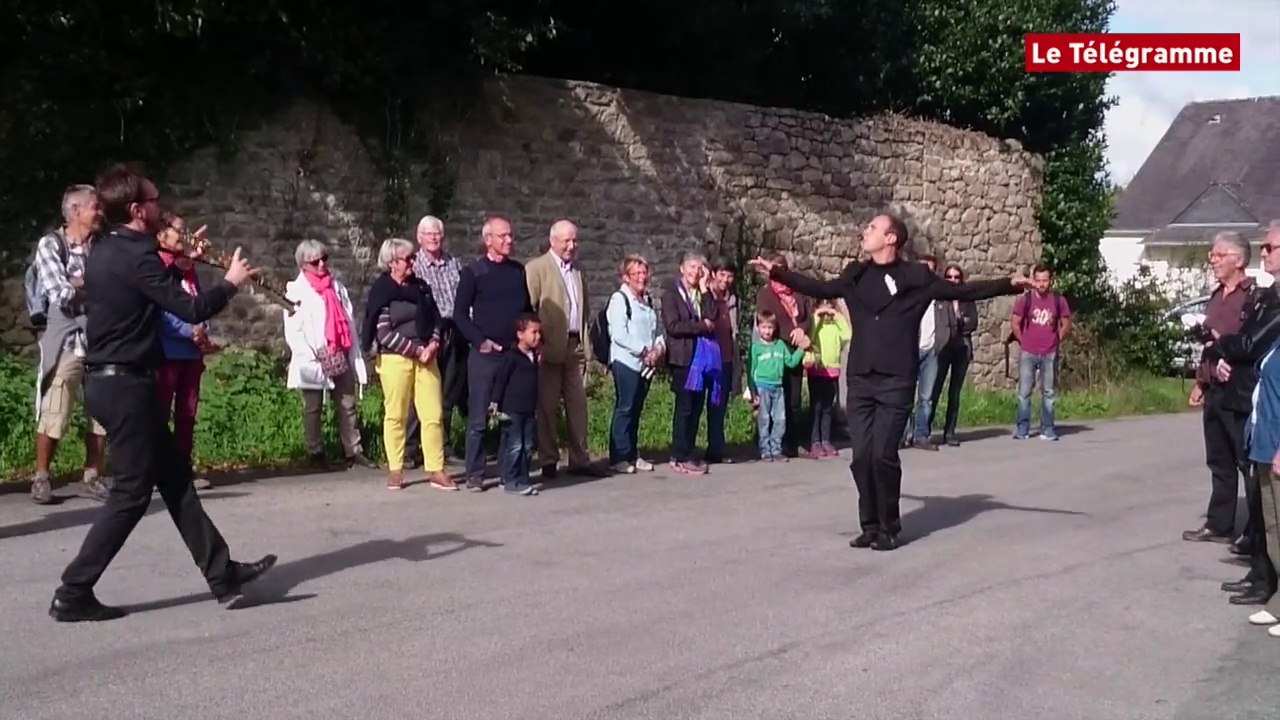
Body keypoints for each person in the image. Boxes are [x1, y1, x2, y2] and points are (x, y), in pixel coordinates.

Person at [49, 163, 276, 622]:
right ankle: (72, 592)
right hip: (124, 386)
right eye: (154, 201)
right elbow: (190, 309)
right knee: (132, 494)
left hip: (118, 383)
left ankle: (222, 574)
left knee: (174, 478)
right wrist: (230, 283)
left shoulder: (111, 248)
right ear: (137, 210)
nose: (161, 206)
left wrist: (181, 250)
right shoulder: (135, 257)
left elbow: (151, 270)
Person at [749, 213, 1027, 551]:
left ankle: (889, 527)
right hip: (862, 378)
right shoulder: (856, 274)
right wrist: (778, 272)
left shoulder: (916, 277)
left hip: (896, 379)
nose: (864, 232)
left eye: (872, 228)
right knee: (862, 456)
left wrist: (1008, 284)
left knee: (883, 454)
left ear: (891, 238)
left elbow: (964, 289)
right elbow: (820, 288)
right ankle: (869, 525)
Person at [1208, 222, 1280, 610]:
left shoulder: (1275, 299)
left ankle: (1267, 579)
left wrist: (1222, 345)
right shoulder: (1269, 295)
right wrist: (1219, 355)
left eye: (1269, 247)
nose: (1263, 253)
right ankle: (1259, 572)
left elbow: (1250, 343)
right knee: (1256, 496)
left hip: (1262, 404)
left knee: (1263, 498)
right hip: (1246, 398)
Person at [29, 184, 109, 505]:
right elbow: (59, 294)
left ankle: (92, 475)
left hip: (101, 338)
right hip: (66, 340)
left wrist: (79, 282)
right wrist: (94, 284)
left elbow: (113, 287)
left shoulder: (102, 245)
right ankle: (41, 476)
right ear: (76, 211)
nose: (100, 212)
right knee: (55, 407)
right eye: (95, 207)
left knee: (101, 411)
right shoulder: (51, 245)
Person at [453, 216, 534, 491]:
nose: (509, 240)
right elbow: (460, 315)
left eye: (510, 235)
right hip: (485, 356)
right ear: (488, 240)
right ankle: (475, 473)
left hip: (513, 355)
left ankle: (507, 470)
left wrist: (531, 342)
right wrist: (481, 341)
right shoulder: (473, 273)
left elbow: (526, 310)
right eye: (503, 236)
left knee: (510, 417)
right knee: (479, 418)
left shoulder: (516, 272)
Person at [284, 239, 377, 471]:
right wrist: (312, 354)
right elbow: (294, 329)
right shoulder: (295, 291)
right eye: (315, 261)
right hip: (314, 355)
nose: (322, 264)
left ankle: (353, 451)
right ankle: (315, 451)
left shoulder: (336, 287)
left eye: (324, 258)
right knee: (313, 406)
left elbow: (347, 319)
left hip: (339, 350)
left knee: (347, 403)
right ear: (303, 265)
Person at [371, 238, 454, 491]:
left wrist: (432, 345)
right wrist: (415, 349)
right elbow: (383, 332)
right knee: (396, 415)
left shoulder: (422, 288)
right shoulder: (382, 291)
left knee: (433, 415)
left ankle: (436, 470)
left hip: (426, 358)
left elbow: (437, 320)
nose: (413, 262)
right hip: (396, 359)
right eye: (408, 258)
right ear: (392, 262)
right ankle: (396, 470)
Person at [525, 219, 603, 478]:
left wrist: (585, 341)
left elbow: (584, 307)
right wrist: (536, 345)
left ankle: (580, 459)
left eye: (575, 240)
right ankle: (548, 459)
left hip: (574, 345)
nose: (572, 245)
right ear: (553, 241)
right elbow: (530, 310)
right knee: (547, 406)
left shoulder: (579, 270)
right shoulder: (537, 269)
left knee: (578, 405)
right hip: (548, 346)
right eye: (566, 240)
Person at [155, 210, 217, 490]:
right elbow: (161, 310)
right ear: (161, 234)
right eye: (179, 230)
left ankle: (181, 468)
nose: (186, 236)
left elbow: (197, 300)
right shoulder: (157, 265)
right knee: (159, 412)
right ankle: (155, 469)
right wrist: (188, 331)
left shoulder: (187, 266)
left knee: (187, 413)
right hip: (168, 350)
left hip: (191, 352)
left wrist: (204, 328)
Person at [606, 254, 664, 474]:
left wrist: (658, 349)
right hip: (626, 362)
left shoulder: (647, 300)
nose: (642, 277)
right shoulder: (618, 300)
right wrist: (643, 350)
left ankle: (632, 453)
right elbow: (619, 334)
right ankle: (619, 457)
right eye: (636, 273)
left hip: (646, 365)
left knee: (637, 409)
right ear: (626, 277)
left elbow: (657, 330)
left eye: (644, 272)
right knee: (625, 407)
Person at [1010, 264, 1071, 440]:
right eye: (1038, 280)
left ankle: (1048, 428)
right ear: (1033, 281)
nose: (1041, 284)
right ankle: (1023, 428)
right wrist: (1023, 340)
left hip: (1049, 353)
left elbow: (1066, 324)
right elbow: (1015, 322)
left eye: (1045, 280)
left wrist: (1056, 340)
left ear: (1051, 281)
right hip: (1028, 352)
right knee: (1024, 392)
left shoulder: (1058, 300)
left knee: (1049, 392)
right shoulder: (1026, 300)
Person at [490, 313, 544, 496]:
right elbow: (500, 380)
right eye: (533, 332)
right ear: (520, 334)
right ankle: (511, 480)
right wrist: (495, 402)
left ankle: (521, 477)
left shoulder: (535, 357)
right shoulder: (511, 357)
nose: (538, 336)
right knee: (515, 445)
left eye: (539, 332)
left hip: (529, 409)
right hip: (512, 409)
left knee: (528, 445)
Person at [927, 264, 979, 446]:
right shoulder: (940, 299)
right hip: (943, 348)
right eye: (949, 276)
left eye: (957, 277)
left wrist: (958, 318)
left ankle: (950, 432)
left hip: (961, 349)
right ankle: (925, 429)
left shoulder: (967, 299)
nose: (953, 280)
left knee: (954, 392)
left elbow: (972, 322)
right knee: (934, 389)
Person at [749, 309, 809, 461]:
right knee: (764, 420)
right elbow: (751, 371)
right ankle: (765, 449)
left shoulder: (780, 345)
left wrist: (802, 349)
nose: (767, 331)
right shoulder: (756, 348)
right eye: (763, 327)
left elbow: (791, 361)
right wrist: (753, 392)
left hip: (778, 388)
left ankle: (776, 448)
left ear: (774, 328)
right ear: (758, 328)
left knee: (780, 420)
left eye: (770, 327)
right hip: (762, 387)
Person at [805, 297, 851, 458]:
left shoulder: (835, 326)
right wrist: (817, 316)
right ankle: (814, 441)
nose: (826, 309)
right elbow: (810, 335)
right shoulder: (815, 323)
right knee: (816, 408)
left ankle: (826, 439)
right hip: (817, 370)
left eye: (829, 305)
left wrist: (837, 316)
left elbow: (847, 334)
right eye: (823, 305)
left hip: (832, 371)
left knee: (828, 408)